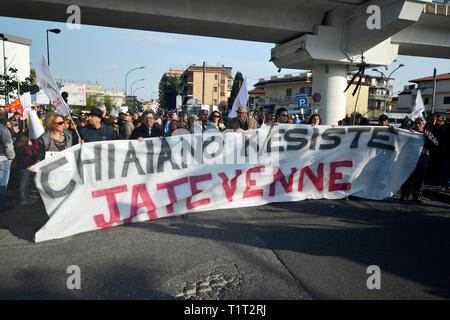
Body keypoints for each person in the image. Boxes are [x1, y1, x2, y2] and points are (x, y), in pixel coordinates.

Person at [400, 117, 438, 204]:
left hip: (422, 159)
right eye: (415, 123)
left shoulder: (427, 133)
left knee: (419, 178)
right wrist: (409, 135)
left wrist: (427, 136)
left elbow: (435, 144)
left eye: (419, 123)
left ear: (423, 125)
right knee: (407, 177)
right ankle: (405, 194)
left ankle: (416, 195)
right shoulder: (410, 131)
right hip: (409, 158)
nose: (417, 125)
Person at [14, 132, 38, 205]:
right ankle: (23, 199)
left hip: (21, 166)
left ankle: (26, 197)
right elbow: (33, 154)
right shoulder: (24, 148)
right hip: (26, 166)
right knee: (24, 183)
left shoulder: (17, 146)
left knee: (25, 183)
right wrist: (31, 146)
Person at [0, 117, 15, 212]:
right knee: (2, 184)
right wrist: (11, 157)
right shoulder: (3, 129)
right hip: (1, 159)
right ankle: (2, 206)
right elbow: (8, 145)